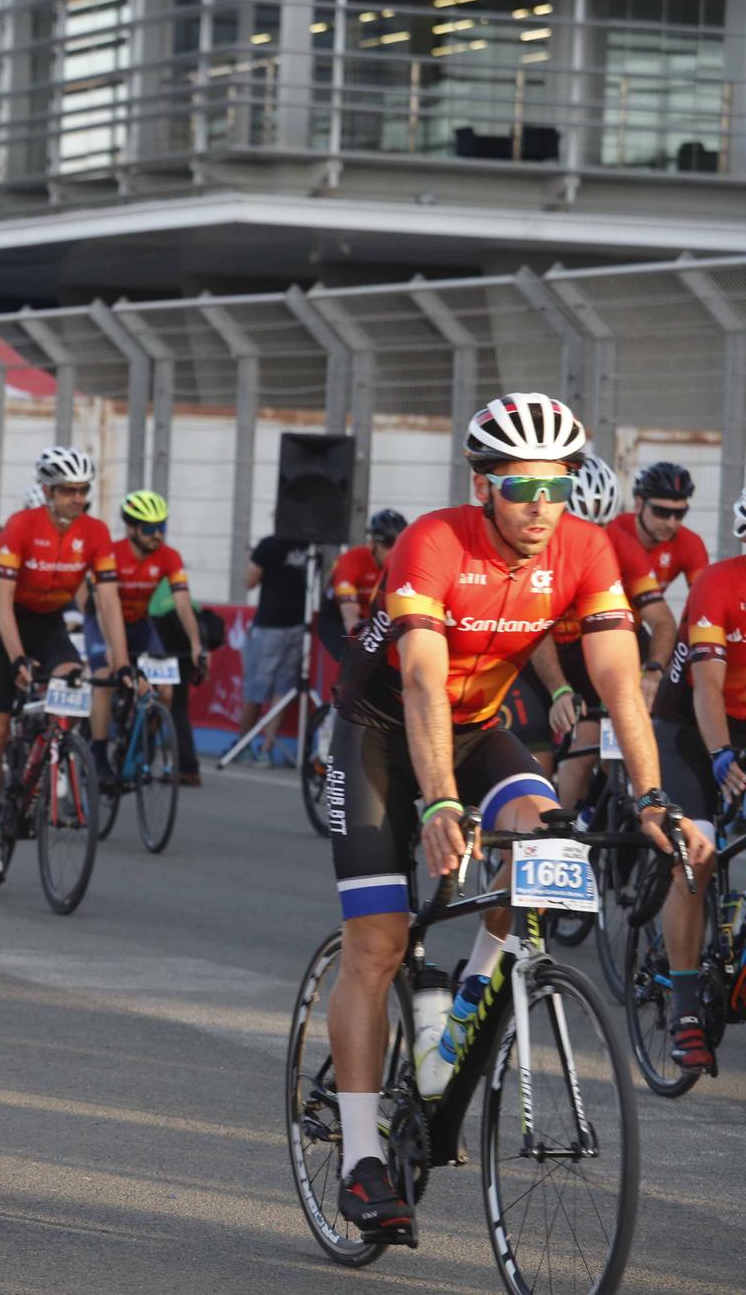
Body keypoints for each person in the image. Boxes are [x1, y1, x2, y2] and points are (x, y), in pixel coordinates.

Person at [322, 392, 710, 1238]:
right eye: (521, 486)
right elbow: (423, 679)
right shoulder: (433, 542)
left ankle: (466, 1006)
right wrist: (439, 802)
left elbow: (619, 681)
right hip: (382, 739)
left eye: (558, 486)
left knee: (549, 843)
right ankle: (359, 1160)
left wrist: (651, 795)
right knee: (381, 940)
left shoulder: (583, 546)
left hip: (483, 731)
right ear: (482, 483)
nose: (541, 506)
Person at [0, 447, 132, 876]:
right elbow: (1, 603)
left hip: (49, 625)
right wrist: (17, 657)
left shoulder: (95, 533)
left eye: (82, 491)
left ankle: (54, 752)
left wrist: (122, 662)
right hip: (5, 626)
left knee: (74, 678)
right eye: (67, 491)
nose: (77, 499)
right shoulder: (19, 528)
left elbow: (109, 602)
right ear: (46, 490)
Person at [648, 487, 746, 1073]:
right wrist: (721, 757)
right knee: (699, 850)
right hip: (689, 725)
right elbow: (708, 687)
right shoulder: (718, 583)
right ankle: (685, 1006)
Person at [528, 455, 672, 811]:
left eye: (600, 527)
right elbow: (534, 631)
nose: (587, 539)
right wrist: (559, 689)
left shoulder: (616, 545)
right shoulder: (537, 544)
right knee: (538, 773)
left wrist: (653, 670)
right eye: (576, 525)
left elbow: (662, 621)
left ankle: (593, 814)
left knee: (594, 739)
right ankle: (550, 833)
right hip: (536, 646)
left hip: (586, 647)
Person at [95, 490, 207, 784]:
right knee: (105, 677)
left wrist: (196, 644)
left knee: (166, 690)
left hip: (139, 625)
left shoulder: (169, 557)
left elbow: (183, 603)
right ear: (131, 528)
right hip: (104, 621)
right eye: (148, 528)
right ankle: (97, 753)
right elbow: (102, 604)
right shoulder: (111, 553)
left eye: (162, 527)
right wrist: (109, 644)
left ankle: (138, 745)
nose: (157, 534)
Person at [610, 461, 707, 700]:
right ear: (639, 503)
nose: (671, 522)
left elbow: (704, 606)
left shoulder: (689, 544)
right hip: (593, 630)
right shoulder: (614, 532)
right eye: (662, 512)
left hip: (635, 626)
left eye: (679, 514)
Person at [235, 529, 313, 763]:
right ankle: (266, 751)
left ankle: (243, 745)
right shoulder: (309, 545)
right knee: (282, 689)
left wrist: (250, 558)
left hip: (270, 626)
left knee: (256, 690)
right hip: (298, 625)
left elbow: (249, 582)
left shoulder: (269, 544)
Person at [322, 510, 406, 654]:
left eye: (400, 544)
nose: (394, 551)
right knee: (351, 655)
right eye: (388, 543)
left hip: (376, 617)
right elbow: (350, 615)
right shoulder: (351, 561)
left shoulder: (406, 564)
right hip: (339, 616)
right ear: (372, 543)